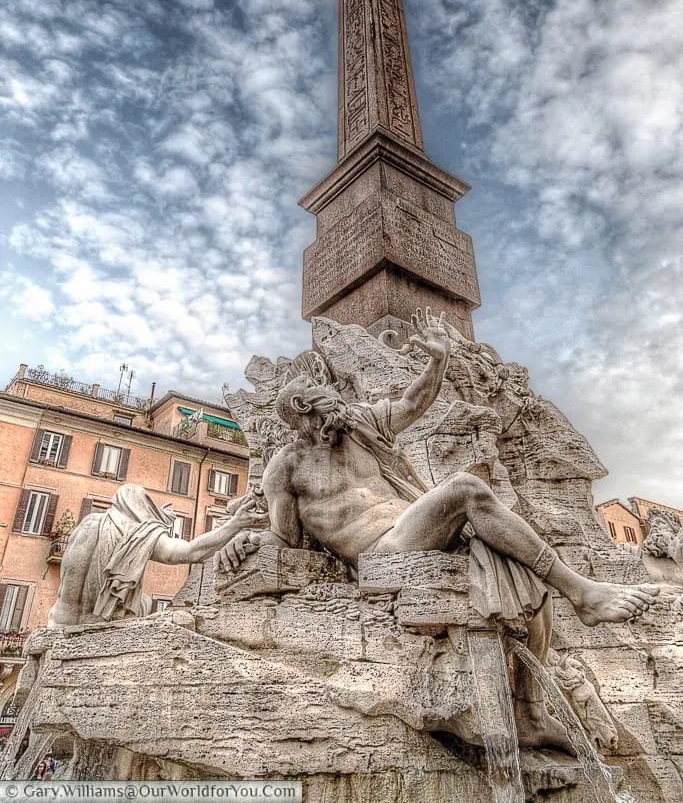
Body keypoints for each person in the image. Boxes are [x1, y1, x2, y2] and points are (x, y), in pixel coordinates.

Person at [231, 307, 658, 748]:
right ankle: (583, 592)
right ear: (298, 418)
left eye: (331, 407)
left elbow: (413, 402)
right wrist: (240, 539)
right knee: (466, 488)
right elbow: (285, 540)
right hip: (381, 555)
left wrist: (438, 361)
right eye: (320, 413)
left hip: (413, 531)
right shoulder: (285, 469)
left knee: (520, 566)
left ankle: (530, 712)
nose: (332, 418)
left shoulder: (357, 425)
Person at [48, 484, 268, 627]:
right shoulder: (137, 533)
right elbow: (190, 552)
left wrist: (160, 518)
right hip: (102, 627)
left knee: (143, 602)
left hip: (58, 624)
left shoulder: (88, 524)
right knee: (163, 614)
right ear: (142, 512)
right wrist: (235, 524)